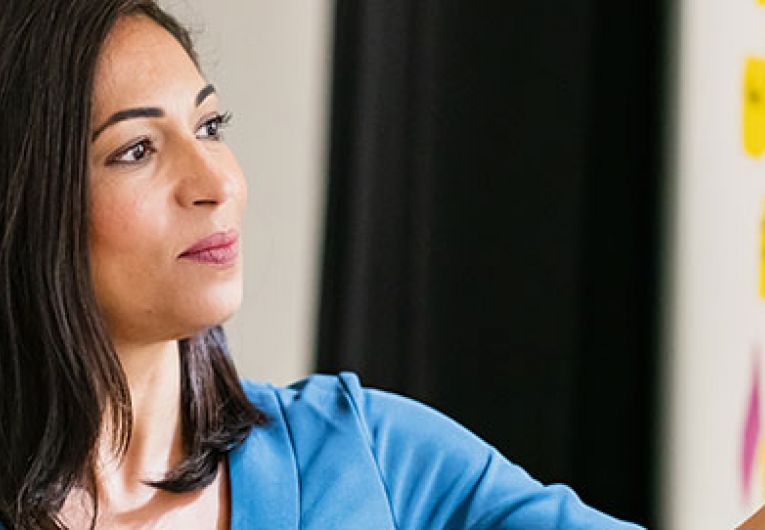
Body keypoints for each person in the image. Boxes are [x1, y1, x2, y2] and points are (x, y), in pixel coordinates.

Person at [0, 1, 644, 528]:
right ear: (26, 207)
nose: (215, 183)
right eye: (136, 149)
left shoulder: (375, 455)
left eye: (210, 126)